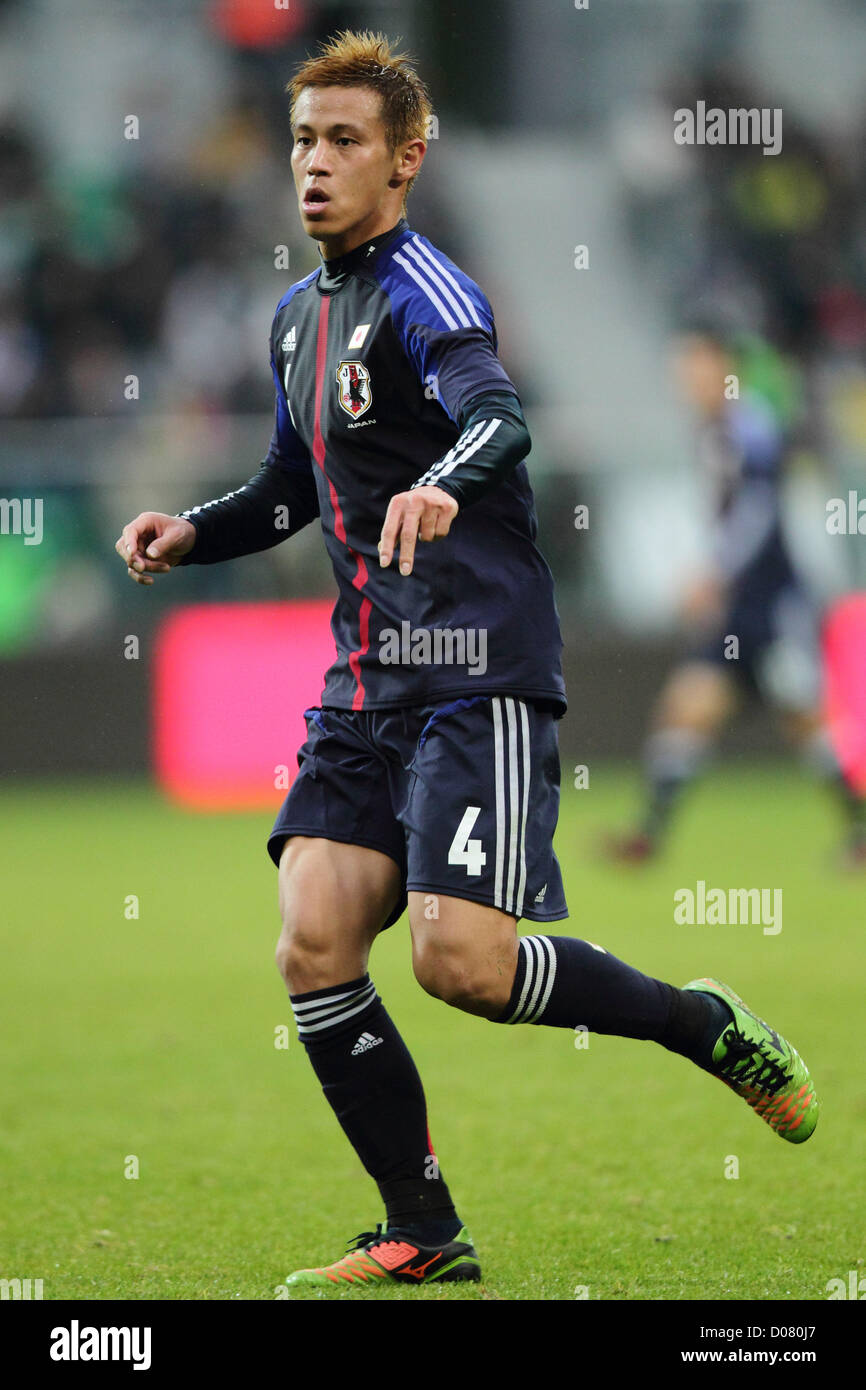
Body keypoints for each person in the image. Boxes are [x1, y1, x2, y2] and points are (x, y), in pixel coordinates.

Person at [115, 33, 819, 1292]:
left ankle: (698, 1022)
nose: (314, 165)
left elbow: (499, 413)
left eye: (343, 141)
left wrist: (441, 485)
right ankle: (421, 1232)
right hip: (364, 679)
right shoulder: (296, 319)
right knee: (313, 941)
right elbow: (291, 486)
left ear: (405, 158)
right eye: (301, 141)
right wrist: (194, 530)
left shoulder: (426, 288)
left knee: (460, 966)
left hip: (474, 670)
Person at [608, 325, 866, 866]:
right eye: (684, 368)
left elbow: (759, 513)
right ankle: (648, 837)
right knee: (687, 707)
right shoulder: (713, 430)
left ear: (725, 368)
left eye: (697, 365)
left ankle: (860, 832)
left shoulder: (751, 427)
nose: (688, 378)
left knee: (808, 720)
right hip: (738, 609)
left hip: (772, 605)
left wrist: (714, 574)